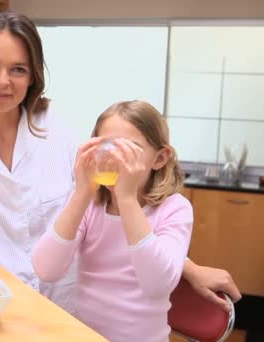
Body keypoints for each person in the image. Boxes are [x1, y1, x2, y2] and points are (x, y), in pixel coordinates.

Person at [0, 10, 241, 315]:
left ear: (32, 78)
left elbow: (110, 211)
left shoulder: (57, 128)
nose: (2, 81)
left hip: (59, 310)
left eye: (18, 69)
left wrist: (184, 265)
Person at [32, 100, 191, 341]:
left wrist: (127, 199)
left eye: (129, 150)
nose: (114, 159)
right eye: (106, 147)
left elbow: (158, 284)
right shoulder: (90, 206)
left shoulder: (174, 209)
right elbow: (46, 270)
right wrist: (81, 194)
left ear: (159, 158)